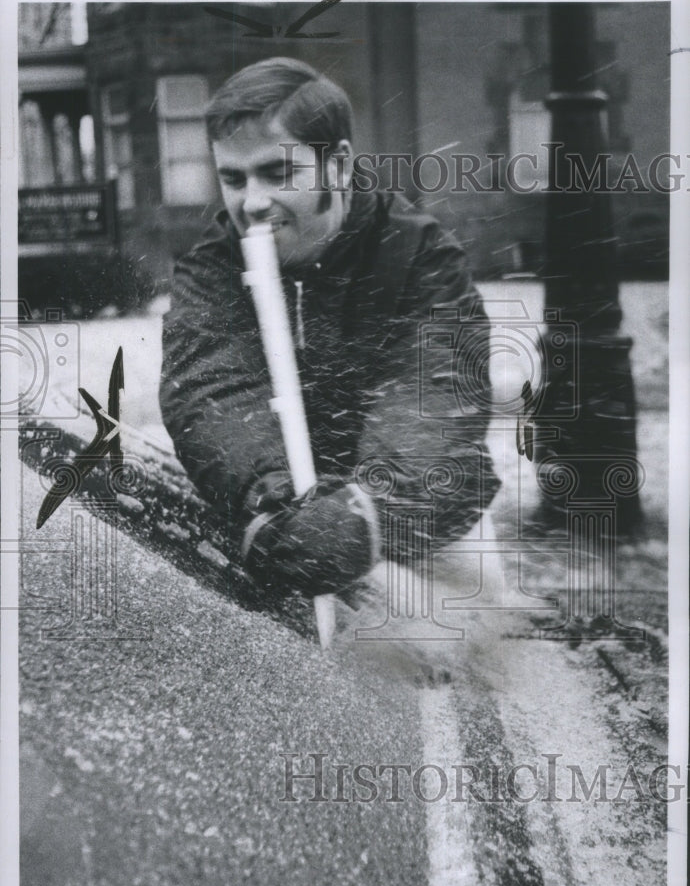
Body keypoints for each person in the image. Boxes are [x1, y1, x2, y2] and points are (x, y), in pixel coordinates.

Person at [159, 57, 500, 599]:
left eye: (278, 173)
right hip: (282, 526)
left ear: (337, 166)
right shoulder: (213, 267)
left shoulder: (417, 253)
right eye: (233, 178)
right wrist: (273, 501)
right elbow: (209, 390)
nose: (252, 203)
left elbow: (435, 393)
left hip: (415, 528)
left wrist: (363, 512)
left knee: (465, 652)